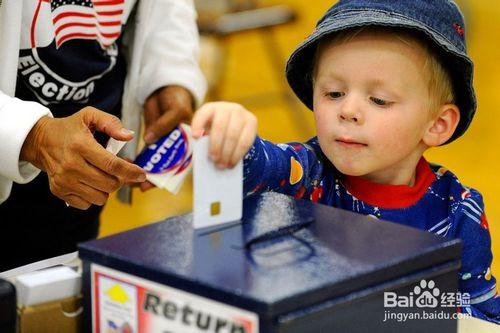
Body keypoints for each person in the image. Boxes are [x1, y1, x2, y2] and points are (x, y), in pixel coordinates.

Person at [190, 0, 500, 324]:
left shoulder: (458, 213)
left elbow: (477, 314)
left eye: (379, 100)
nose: (348, 110)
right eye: (333, 93)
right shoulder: (309, 174)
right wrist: (231, 132)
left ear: (436, 124)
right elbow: (259, 166)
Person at [0, 0, 206, 270]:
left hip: (79, 199)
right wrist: (33, 136)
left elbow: (167, 8)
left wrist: (169, 74)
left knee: (54, 296)